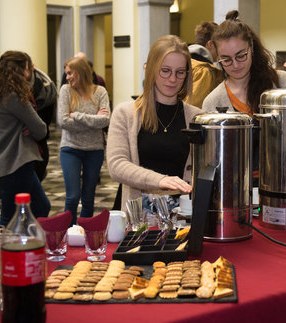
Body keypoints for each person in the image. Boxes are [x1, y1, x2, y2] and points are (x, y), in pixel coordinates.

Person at [107, 35, 201, 210]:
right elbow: (117, 165)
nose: (173, 79)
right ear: (150, 69)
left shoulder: (197, 117)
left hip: (182, 215)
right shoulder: (125, 114)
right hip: (137, 215)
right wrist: (160, 180)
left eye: (180, 72)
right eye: (165, 70)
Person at [202, 10, 286, 185]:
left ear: (251, 46)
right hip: (236, 189)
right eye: (226, 60)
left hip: (284, 182)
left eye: (241, 56)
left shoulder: (281, 82)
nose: (235, 65)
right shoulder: (213, 101)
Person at [0, 51, 51, 225]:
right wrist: (30, 129)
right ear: (18, 71)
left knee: (40, 206)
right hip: (16, 160)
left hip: (2, 160)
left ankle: (30, 245)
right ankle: (12, 250)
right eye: (26, 69)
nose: (28, 73)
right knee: (12, 217)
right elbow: (40, 129)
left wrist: (25, 127)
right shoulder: (13, 96)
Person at [57, 56, 110, 225]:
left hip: (94, 150)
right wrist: (93, 120)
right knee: (72, 197)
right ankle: (67, 232)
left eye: (70, 73)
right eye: (66, 74)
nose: (67, 77)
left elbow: (106, 120)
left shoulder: (100, 91)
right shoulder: (66, 90)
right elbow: (63, 122)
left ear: (80, 72)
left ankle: (84, 233)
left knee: (88, 198)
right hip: (70, 148)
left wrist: (77, 116)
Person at [27, 66, 58, 181]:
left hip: (40, 138)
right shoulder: (12, 92)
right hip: (20, 145)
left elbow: (45, 123)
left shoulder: (46, 87)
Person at [185, 21, 224, 108]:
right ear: (210, 44)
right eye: (219, 45)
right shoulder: (204, 71)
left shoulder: (183, 62)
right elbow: (193, 108)